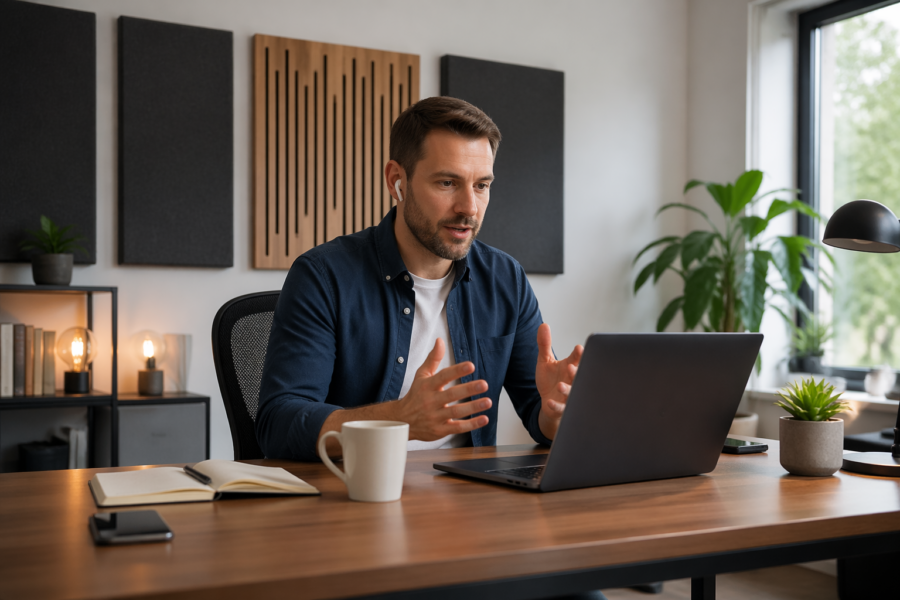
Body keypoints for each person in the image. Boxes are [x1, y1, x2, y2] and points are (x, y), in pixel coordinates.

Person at [257, 96, 583, 461]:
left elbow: (540, 415)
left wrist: (555, 414)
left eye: (481, 185)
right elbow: (279, 424)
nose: (469, 207)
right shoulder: (323, 276)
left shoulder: (506, 279)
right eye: (447, 182)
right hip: (357, 488)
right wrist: (399, 419)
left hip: (470, 491)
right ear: (396, 180)